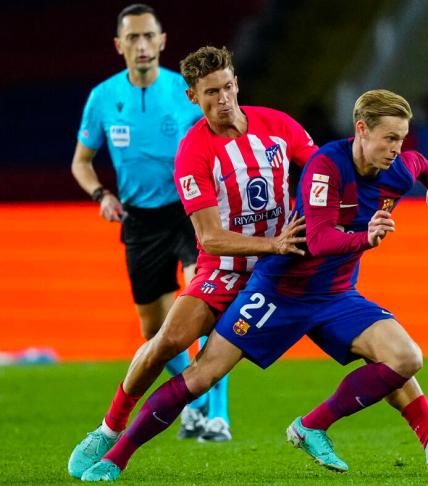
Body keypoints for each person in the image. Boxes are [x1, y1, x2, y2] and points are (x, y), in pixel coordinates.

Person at [78, 89, 428, 481]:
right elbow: (319, 240)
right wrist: (369, 237)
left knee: (405, 357)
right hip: (279, 292)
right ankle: (116, 455)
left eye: (400, 138)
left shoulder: (397, 167)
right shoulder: (325, 169)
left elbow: (418, 163)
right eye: (389, 139)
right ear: (361, 129)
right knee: (201, 376)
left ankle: (411, 438)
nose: (397, 148)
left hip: (335, 296)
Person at [67, 45, 313, 480]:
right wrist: (273, 244)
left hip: (284, 273)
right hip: (225, 272)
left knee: (362, 332)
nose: (223, 100)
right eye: (211, 93)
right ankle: (109, 430)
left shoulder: (279, 126)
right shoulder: (193, 152)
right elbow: (210, 239)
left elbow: (324, 173)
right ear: (192, 98)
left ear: (237, 83)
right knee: (164, 343)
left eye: (228, 87)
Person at [69, 3, 231, 444]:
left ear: (162, 41)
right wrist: (101, 195)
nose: (142, 45)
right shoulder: (103, 98)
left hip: (189, 212)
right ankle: (196, 403)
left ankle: (219, 415)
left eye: (149, 37)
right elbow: (81, 163)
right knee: (154, 332)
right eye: (133, 38)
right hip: (140, 221)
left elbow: (220, 142)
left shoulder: (186, 93)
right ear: (120, 46)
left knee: (207, 307)